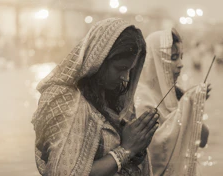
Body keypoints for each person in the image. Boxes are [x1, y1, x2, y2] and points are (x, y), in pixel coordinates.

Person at [32, 18, 159, 176]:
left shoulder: (117, 97)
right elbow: (64, 173)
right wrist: (126, 150)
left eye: (130, 70)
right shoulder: (63, 98)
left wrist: (138, 146)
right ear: (99, 60)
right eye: (120, 68)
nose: (126, 78)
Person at [135, 28, 211, 176]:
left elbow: (202, 140)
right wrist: (187, 106)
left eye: (181, 57)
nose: (181, 64)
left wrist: (193, 108)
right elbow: (154, 153)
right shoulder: (141, 98)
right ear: (155, 60)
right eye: (173, 57)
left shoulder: (177, 93)